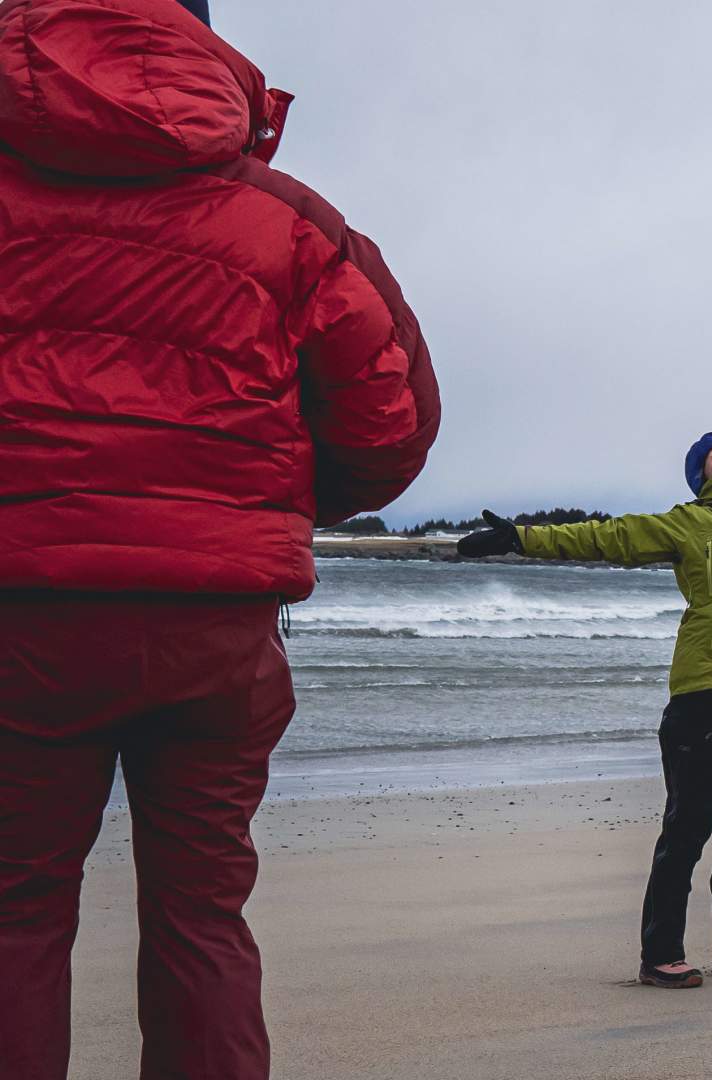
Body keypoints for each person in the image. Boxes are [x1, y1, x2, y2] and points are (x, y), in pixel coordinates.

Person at [0, 0, 440, 1075]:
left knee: (13, 913)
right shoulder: (287, 223)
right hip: (216, 626)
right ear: (201, 40)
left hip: (21, 617)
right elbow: (390, 428)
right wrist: (256, 504)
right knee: (202, 916)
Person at [457, 431, 712, 988]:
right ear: (700, 476)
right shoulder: (687, 522)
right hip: (705, 694)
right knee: (687, 829)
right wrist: (522, 537)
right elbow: (604, 537)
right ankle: (661, 953)